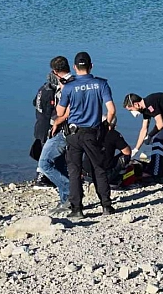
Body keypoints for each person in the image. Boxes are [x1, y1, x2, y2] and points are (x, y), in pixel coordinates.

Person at [56, 52, 116, 219]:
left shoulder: (68, 87)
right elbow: (111, 110)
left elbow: (60, 112)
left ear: (75, 67)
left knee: (74, 171)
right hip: (93, 132)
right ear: (91, 66)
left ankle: (77, 209)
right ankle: (106, 206)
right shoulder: (101, 84)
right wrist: (107, 125)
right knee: (99, 168)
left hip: (74, 133)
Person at [38, 56, 74, 214]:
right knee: (59, 164)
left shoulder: (68, 85)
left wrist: (57, 122)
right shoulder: (75, 82)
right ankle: (65, 199)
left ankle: (71, 193)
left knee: (44, 163)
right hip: (70, 130)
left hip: (63, 130)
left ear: (54, 71)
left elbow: (68, 110)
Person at [82, 116, 133, 189]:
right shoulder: (113, 134)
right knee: (126, 156)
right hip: (104, 176)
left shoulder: (89, 132)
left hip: (87, 174)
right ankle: (112, 176)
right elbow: (127, 152)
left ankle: (89, 178)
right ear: (114, 125)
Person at [31, 71, 59, 189]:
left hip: (39, 124)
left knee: (43, 151)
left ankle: (43, 177)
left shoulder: (42, 88)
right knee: (46, 153)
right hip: (46, 127)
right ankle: (41, 179)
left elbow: (34, 102)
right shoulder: (50, 93)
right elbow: (50, 113)